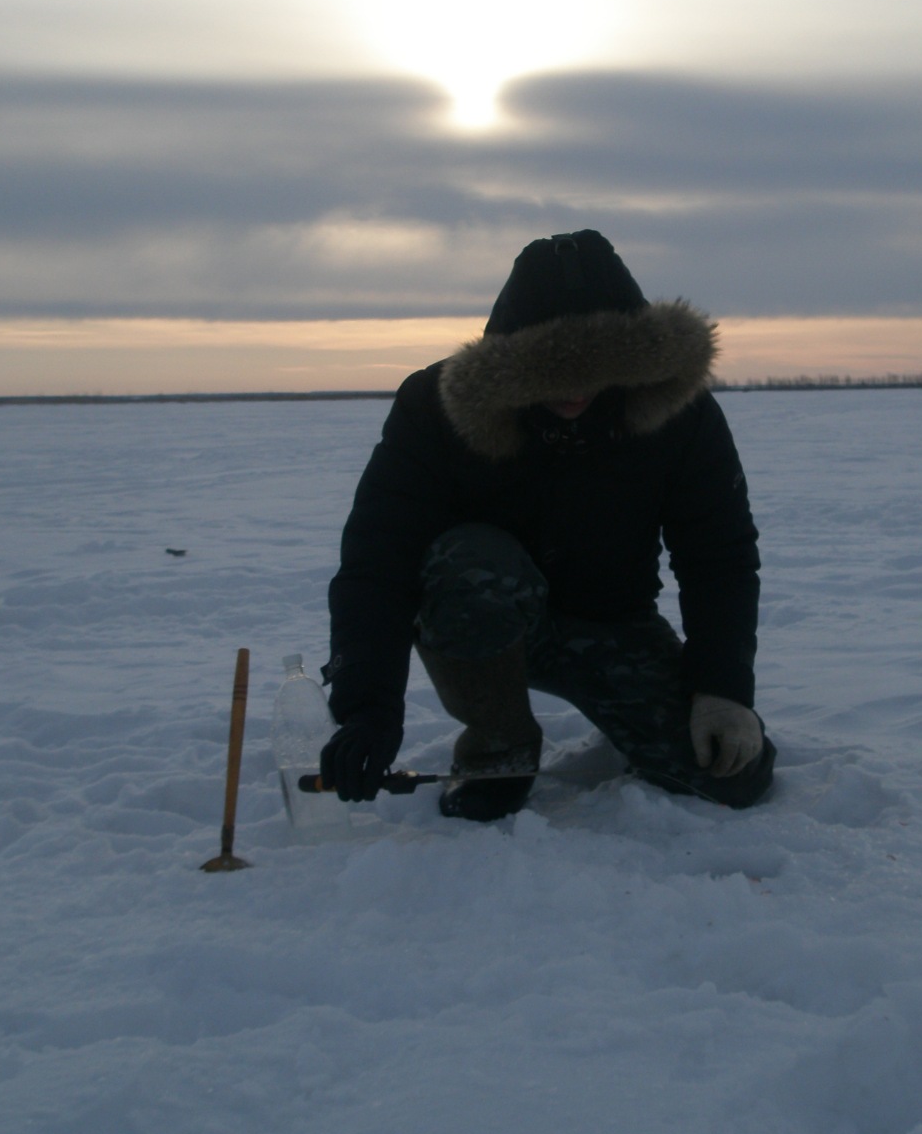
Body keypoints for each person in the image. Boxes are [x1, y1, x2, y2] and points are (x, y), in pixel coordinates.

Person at [320, 229, 775, 822]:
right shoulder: (433, 409)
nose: (573, 391)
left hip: (611, 623)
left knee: (732, 778)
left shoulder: (681, 417)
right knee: (471, 562)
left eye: (597, 368)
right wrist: (367, 709)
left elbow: (719, 557)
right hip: (479, 623)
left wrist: (723, 689)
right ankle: (500, 747)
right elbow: (378, 558)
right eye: (546, 372)